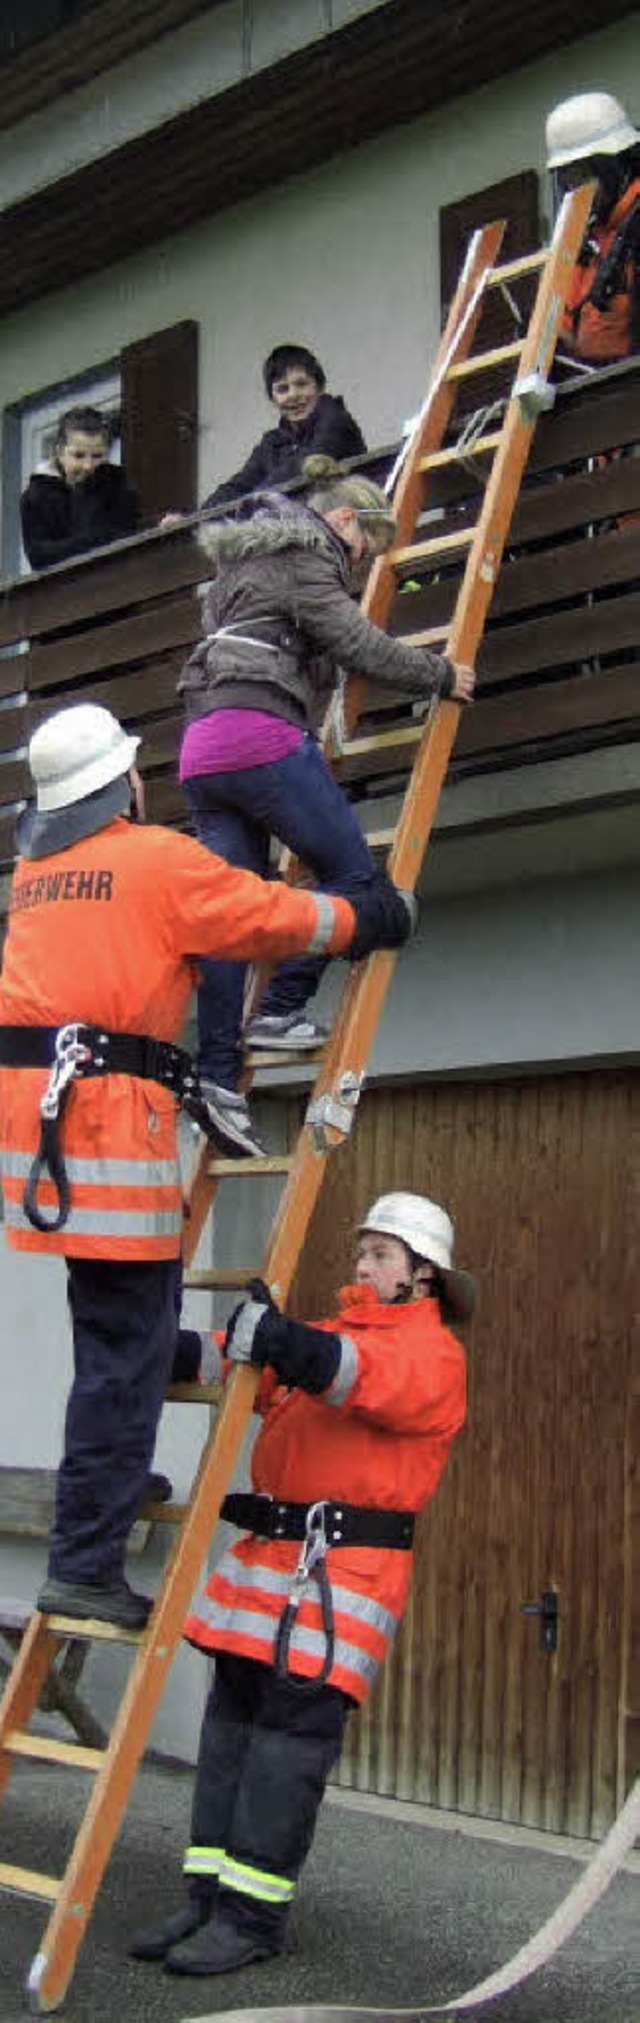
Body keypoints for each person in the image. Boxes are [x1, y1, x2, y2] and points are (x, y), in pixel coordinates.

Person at [0, 704, 414, 1631]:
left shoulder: (38, 873)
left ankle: (113, 1464)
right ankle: (85, 1559)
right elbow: (264, 916)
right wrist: (363, 916)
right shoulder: (154, 861)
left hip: (44, 1140)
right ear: (122, 784)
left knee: (114, 1333)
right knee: (121, 1350)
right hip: (107, 1136)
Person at [129, 1188, 474, 1977]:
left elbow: (357, 1377)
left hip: (339, 1583)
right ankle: (207, 1897)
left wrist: (283, 1339)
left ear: (424, 1275)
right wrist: (147, 1343)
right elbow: (239, 1358)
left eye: (381, 1253)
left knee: (285, 1754)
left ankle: (252, 1919)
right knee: (227, 1741)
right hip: (264, 1574)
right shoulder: (331, 1332)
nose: (362, 1263)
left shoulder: (433, 1354)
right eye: (363, 1250)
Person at [179, 455, 476, 1157]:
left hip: (201, 749)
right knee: (358, 882)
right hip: (259, 737)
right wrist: (439, 673)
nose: (357, 567)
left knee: (230, 918)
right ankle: (281, 1009)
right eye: (362, 552)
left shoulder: (239, 568)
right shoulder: (306, 548)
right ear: (343, 520)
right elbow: (353, 639)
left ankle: (216, 1078)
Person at [202, 344, 367, 509]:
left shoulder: (336, 421)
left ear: (319, 386)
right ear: (273, 399)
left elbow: (303, 468)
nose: (293, 395)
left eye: (301, 384)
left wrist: (251, 501)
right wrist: (191, 520)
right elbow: (239, 485)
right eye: (282, 389)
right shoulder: (272, 442)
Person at [546, 91, 640, 364]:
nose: (576, 192)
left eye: (582, 177)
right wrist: (546, 343)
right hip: (597, 399)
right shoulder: (584, 246)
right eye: (568, 181)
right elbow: (567, 328)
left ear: (610, 167)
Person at [20, 405, 139, 572]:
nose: (87, 465)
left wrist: (160, 525)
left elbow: (132, 532)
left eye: (97, 456)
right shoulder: (36, 496)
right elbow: (39, 556)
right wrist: (97, 539)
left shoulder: (117, 484)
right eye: (78, 455)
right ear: (60, 452)